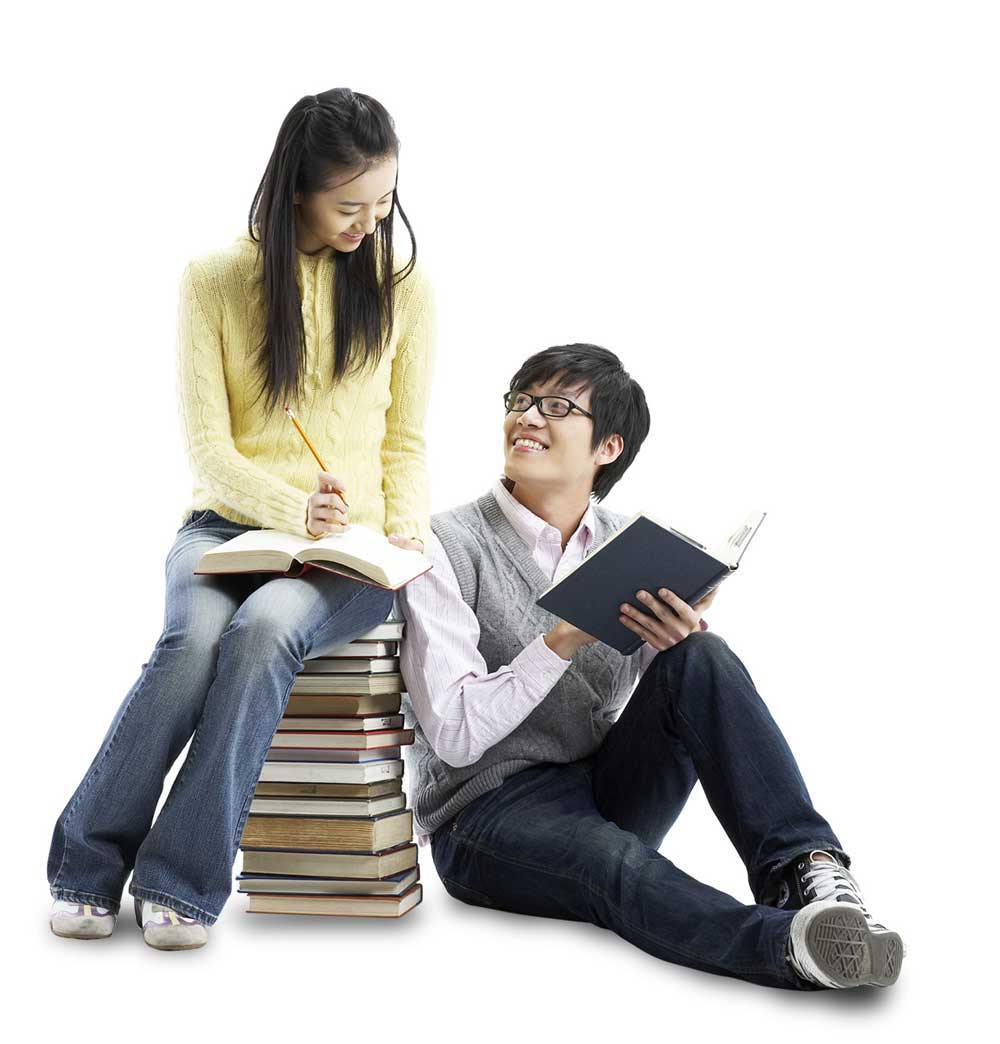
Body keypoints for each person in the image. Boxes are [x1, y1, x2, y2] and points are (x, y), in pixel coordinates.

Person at [47, 88, 435, 950]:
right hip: (226, 528)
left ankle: (180, 881)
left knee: (262, 632)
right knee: (190, 644)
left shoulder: (404, 290)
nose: (369, 223)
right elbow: (211, 453)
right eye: (349, 205)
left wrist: (403, 533)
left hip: (348, 552)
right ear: (296, 189)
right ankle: (85, 868)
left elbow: (405, 442)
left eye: (384, 202)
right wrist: (294, 508)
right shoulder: (215, 280)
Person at [394, 343, 904, 991]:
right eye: (520, 400)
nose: (527, 416)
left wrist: (668, 644)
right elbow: (455, 736)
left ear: (608, 447)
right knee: (614, 861)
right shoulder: (442, 546)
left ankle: (811, 873)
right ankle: (793, 947)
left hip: (604, 784)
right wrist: (561, 640)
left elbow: (657, 699)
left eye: (556, 406)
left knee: (701, 655)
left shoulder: (628, 546)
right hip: (486, 816)